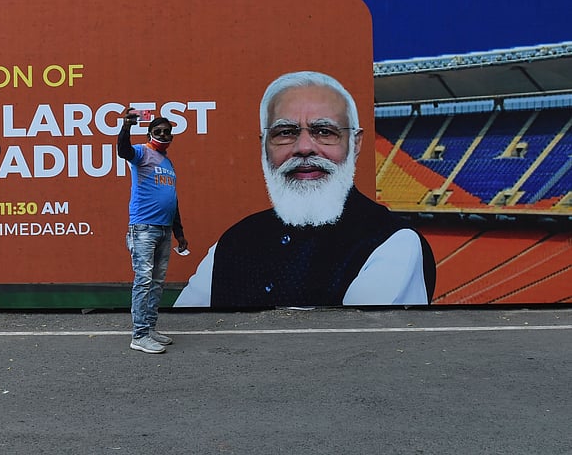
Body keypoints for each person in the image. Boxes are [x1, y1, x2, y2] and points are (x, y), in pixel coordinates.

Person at [174, 71, 436, 308]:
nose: (304, 147)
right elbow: (188, 331)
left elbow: (356, 350)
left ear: (355, 143)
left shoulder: (394, 242)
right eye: (285, 132)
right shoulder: (233, 241)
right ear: (264, 145)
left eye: (323, 131)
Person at [118, 108, 188, 353]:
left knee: (157, 282)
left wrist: (179, 233)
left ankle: (149, 328)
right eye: (158, 131)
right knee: (144, 281)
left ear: (172, 136)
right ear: (149, 133)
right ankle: (138, 335)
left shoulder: (168, 163)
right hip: (144, 228)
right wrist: (127, 126)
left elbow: (173, 199)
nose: (163, 134)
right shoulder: (141, 152)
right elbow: (122, 151)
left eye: (167, 132)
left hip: (164, 230)